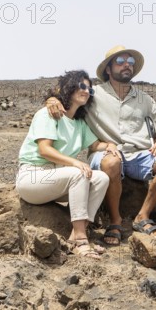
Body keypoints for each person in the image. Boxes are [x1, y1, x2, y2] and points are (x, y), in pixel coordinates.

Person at [47, 45, 156, 245]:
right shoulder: (93, 94)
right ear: (108, 69)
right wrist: (51, 100)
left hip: (139, 155)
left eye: (131, 61)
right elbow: (67, 95)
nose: (127, 65)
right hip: (106, 153)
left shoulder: (145, 100)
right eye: (120, 61)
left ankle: (142, 216)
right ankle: (115, 221)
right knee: (111, 163)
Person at [16, 70, 116, 259]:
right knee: (79, 173)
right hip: (33, 177)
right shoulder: (48, 114)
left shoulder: (78, 123)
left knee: (101, 178)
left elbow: (95, 145)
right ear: (69, 87)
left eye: (90, 89)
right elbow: (44, 150)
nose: (86, 91)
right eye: (82, 86)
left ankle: (78, 234)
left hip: (59, 178)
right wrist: (75, 163)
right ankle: (80, 240)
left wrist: (109, 145)